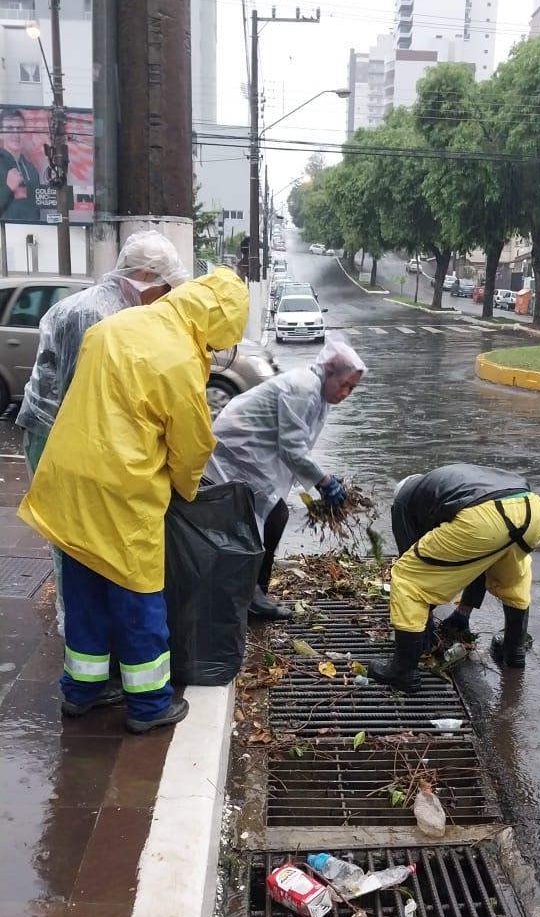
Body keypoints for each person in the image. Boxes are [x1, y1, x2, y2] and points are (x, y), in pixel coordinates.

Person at [17, 267, 250, 734]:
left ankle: (82, 691)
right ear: (212, 325)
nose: (212, 352)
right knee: (139, 596)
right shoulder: (180, 359)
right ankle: (148, 705)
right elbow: (191, 446)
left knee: (84, 588)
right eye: (216, 343)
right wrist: (187, 491)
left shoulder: (115, 325)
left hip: (68, 476)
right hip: (121, 490)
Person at [16, 229, 189, 635]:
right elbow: (84, 396)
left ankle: (85, 629)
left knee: (86, 535)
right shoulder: (93, 315)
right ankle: (74, 628)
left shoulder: (119, 309)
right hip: (54, 435)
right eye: (163, 287)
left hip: (72, 437)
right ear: (144, 275)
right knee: (72, 538)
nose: (164, 297)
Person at [204, 337, 367, 620]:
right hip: (234, 458)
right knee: (257, 523)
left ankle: (256, 592)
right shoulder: (303, 388)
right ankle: (250, 595)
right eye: (344, 385)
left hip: (249, 458)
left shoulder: (316, 392)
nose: (346, 393)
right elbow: (292, 447)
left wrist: (323, 477)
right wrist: (324, 481)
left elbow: (297, 444)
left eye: (352, 388)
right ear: (329, 371)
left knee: (272, 517)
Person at [367, 464, 540, 693]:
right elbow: (478, 560)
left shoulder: (403, 501)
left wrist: (423, 622)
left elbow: (415, 564)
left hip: (483, 517)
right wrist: (464, 611)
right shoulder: (450, 486)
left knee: (407, 576)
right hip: (532, 510)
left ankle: (403, 671)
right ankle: (514, 650)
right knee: (512, 576)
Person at [0, 108, 41, 221]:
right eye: (9, 128)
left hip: (35, 235)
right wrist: (8, 188)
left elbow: (37, 211)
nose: (16, 133)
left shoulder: (32, 170)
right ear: (1, 134)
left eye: (20, 128)